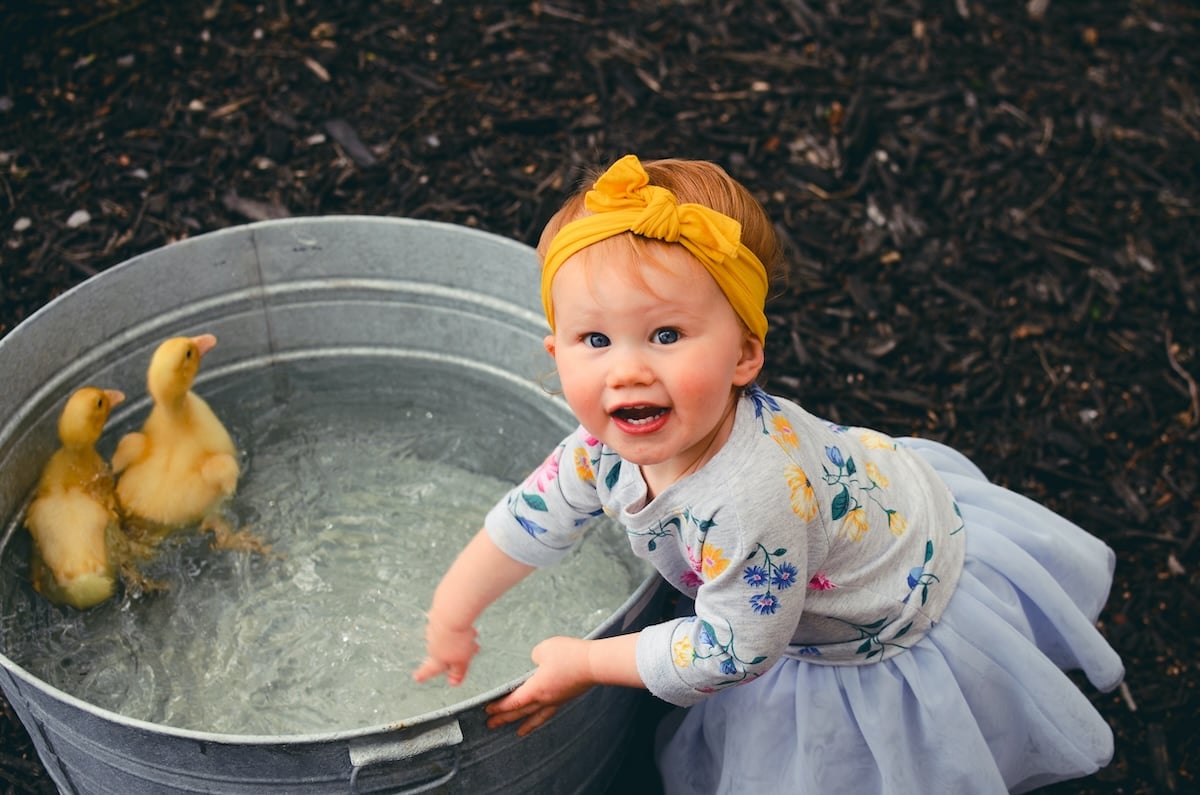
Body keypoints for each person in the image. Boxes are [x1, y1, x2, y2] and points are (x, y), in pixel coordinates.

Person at [412, 153, 1124, 793]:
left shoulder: (747, 498)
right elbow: (529, 518)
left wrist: (588, 662)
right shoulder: (601, 446)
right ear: (555, 350)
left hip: (875, 609)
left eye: (666, 335)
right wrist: (454, 608)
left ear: (745, 353)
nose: (627, 367)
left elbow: (734, 651)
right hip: (854, 506)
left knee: (846, 763)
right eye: (594, 339)